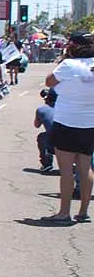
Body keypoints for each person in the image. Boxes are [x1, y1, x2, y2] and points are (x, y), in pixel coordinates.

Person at [42, 34, 94, 224]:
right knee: (85, 167)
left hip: (67, 121)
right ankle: (83, 211)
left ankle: (64, 212)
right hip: (89, 123)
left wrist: (65, 59)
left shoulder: (69, 65)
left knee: (66, 170)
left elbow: (49, 81)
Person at [35, 89, 57, 173]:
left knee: (42, 137)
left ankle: (47, 163)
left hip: (55, 143)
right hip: (73, 142)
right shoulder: (68, 108)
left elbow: (37, 125)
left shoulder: (41, 110)